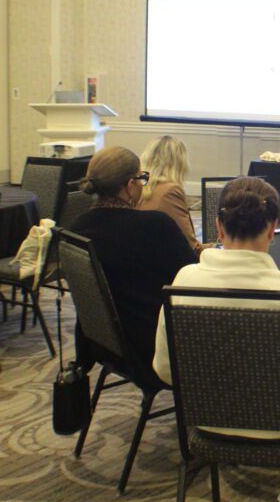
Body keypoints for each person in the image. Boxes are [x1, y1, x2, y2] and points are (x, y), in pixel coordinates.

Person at [152, 177, 280, 502]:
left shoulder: (184, 282)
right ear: (271, 232)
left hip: (205, 428)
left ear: (219, 228)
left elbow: (165, 370)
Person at [69, 146, 197, 367]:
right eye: (141, 178)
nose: (142, 184)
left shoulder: (76, 229)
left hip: (104, 345)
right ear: (130, 186)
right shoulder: (154, 226)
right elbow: (192, 278)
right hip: (156, 346)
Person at [137, 136, 208, 255]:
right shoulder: (170, 191)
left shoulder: (142, 188)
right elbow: (190, 248)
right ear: (179, 163)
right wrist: (221, 250)